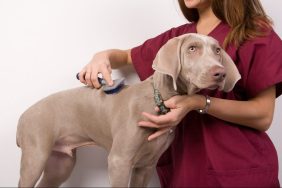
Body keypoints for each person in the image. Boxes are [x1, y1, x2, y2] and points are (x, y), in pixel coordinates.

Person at [78, 0, 282, 187]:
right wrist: (102, 57)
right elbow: (125, 56)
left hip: (239, 168)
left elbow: (263, 116)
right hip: (186, 172)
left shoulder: (254, 32)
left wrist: (197, 102)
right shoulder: (178, 39)